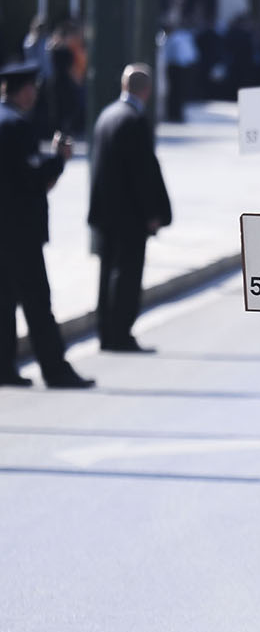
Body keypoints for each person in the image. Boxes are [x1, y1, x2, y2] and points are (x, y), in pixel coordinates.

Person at [0, 62, 89, 388]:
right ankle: (56, 369)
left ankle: (4, 368)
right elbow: (34, 180)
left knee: (4, 303)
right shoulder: (16, 127)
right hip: (20, 233)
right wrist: (58, 159)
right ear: (24, 91)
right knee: (38, 303)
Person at [87, 65, 173, 355]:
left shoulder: (106, 115)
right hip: (129, 215)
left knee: (107, 272)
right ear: (146, 90)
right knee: (127, 275)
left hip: (105, 213)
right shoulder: (134, 120)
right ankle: (121, 334)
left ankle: (106, 333)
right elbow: (143, 173)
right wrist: (154, 212)